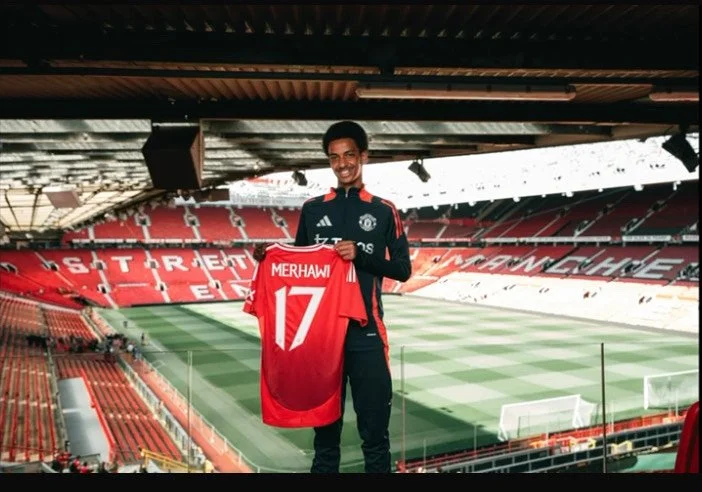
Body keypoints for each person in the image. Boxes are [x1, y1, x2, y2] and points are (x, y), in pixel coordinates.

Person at [253, 120, 411, 473]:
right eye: (334, 157)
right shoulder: (313, 208)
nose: (342, 164)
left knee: (376, 440)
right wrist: (268, 256)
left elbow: (403, 270)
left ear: (363, 156)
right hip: (323, 340)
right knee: (325, 442)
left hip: (367, 336)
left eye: (349, 155)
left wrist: (361, 255)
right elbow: (298, 264)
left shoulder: (384, 210)